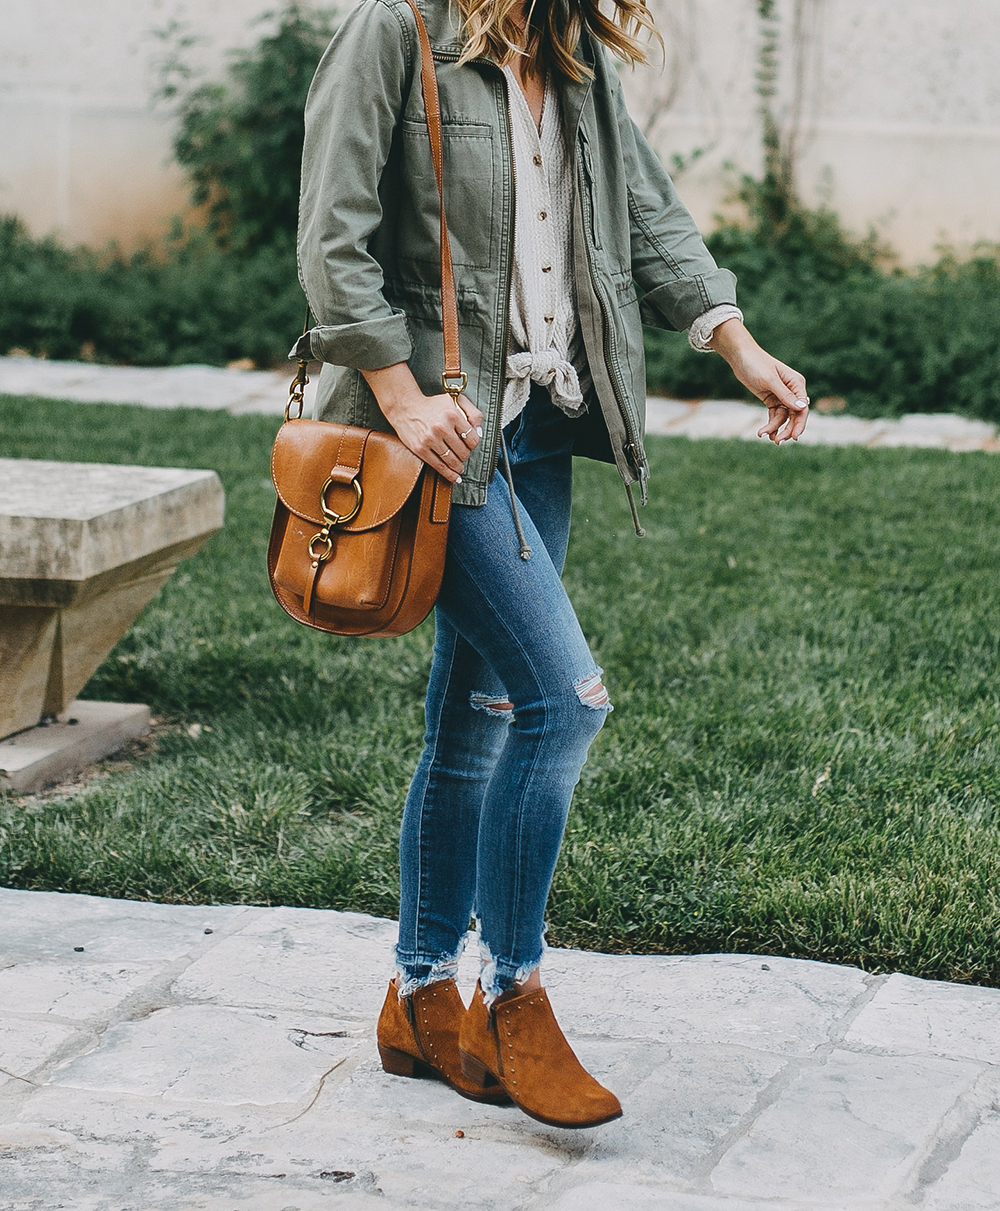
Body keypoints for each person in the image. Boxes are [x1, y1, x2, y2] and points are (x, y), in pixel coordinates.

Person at [295, 0, 809, 1130]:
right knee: (565, 702)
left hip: (540, 428)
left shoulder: (567, 50)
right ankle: (512, 992)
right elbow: (329, 239)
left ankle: (419, 994)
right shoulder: (396, 29)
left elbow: (646, 212)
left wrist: (736, 341)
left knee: (476, 718)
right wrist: (399, 396)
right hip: (439, 435)